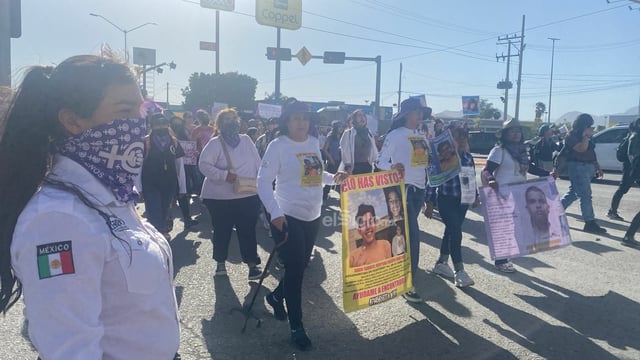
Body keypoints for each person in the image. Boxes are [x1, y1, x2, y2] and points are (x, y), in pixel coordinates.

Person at [0, 55, 180, 359]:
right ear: (72, 121)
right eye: (124, 111)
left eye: (139, 110)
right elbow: (70, 350)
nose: (138, 124)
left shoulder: (111, 193)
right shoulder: (56, 219)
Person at [258, 98, 346, 351]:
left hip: (313, 215)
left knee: (300, 266)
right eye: (296, 117)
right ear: (287, 121)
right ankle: (297, 327)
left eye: (305, 118)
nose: (301, 122)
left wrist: (335, 179)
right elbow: (263, 182)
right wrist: (274, 212)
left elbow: (316, 175)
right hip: (286, 216)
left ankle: (275, 296)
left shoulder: (313, 143)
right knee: (295, 271)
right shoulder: (278, 146)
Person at [482, 118, 556, 273]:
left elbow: (530, 168)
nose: (516, 134)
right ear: (504, 134)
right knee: (506, 228)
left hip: (521, 193)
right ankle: (501, 260)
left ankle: (508, 255)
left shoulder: (521, 151)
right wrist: (490, 179)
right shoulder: (499, 150)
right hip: (503, 194)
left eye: (518, 131)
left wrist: (547, 174)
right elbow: (487, 170)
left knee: (518, 226)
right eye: (512, 131)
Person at [377, 97, 432, 302]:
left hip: (419, 190)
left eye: (421, 112)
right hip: (403, 190)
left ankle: (397, 273)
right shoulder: (395, 134)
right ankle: (408, 282)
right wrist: (391, 167)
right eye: (416, 111)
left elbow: (426, 165)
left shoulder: (422, 136)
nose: (420, 115)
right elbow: (379, 160)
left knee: (403, 235)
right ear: (407, 114)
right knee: (413, 237)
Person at [199, 108, 263, 280]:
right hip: (220, 198)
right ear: (219, 124)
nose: (231, 121)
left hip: (248, 194)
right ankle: (220, 263)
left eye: (234, 118)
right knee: (222, 230)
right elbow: (204, 165)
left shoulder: (247, 140)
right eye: (226, 119)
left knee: (248, 230)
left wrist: (262, 186)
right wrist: (224, 176)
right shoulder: (214, 143)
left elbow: (258, 164)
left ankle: (252, 265)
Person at [425, 125, 478, 287]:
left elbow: (471, 177)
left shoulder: (468, 157)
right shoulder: (441, 158)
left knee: (450, 231)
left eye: (464, 135)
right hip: (445, 199)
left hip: (462, 201)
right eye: (457, 136)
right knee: (456, 232)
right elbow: (432, 181)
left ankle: (441, 263)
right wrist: (429, 202)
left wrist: (475, 195)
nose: (461, 139)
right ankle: (459, 271)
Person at [139, 113, 187, 240]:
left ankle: (162, 230)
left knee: (166, 208)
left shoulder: (174, 142)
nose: (161, 127)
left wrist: (183, 188)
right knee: (154, 207)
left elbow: (179, 166)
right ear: (152, 126)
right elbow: (139, 166)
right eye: (157, 124)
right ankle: (157, 234)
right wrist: (138, 187)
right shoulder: (145, 142)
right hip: (150, 182)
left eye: (164, 124)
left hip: (169, 182)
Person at [559, 113, 607, 234]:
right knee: (585, 195)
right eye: (589, 125)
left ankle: (554, 212)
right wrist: (585, 136)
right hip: (577, 166)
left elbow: (591, 151)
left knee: (573, 193)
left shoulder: (588, 137)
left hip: (587, 166)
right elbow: (581, 149)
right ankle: (589, 222)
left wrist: (597, 166)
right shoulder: (571, 136)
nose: (592, 128)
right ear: (583, 125)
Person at [608, 118, 640, 221]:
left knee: (622, 189)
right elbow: (631, 154)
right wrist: (635, 168)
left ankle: (612, 211)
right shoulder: (635, 135)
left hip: (634, 167)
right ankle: (612, 211)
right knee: (622, 189)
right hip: (632, 167)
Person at [170, 115, 199, 228]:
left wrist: (193, 152)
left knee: (183, 193)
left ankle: (187, 219)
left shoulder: (184, 135)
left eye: (179, 124)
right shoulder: (165, 138)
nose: (177, 126)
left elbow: (190, 148)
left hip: (184, 168)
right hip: (167, 171)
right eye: (174, 124)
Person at [339, 109, 379, 174]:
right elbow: (345, 151)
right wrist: (348, 167)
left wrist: (376, 162)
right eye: (359, 115)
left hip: (367, 166)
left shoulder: (368, 133)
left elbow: (374, 149)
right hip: (354, 168)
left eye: (363, 115)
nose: (362, 117)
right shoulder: (348, 133)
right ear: (354, 119)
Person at [322, 120, 345, 200]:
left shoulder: (342, 136)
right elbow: (324, 149)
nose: (341, 128)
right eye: (339, 127)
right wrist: (330, 159)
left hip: (341, 161)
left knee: (340, 180)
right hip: (333, 160)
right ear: (336, 128)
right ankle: (324, 198)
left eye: (342, 127)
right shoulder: (330, 136)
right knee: (329, 181)